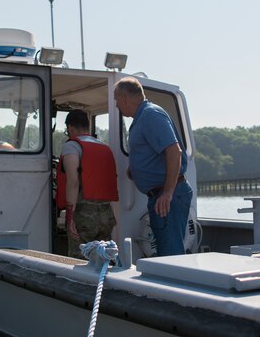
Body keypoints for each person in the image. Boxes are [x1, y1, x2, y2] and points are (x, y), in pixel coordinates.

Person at [113, 77, 192, 256]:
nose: (116, 105)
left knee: (170, 254)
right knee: (166, 249)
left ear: (124, 98)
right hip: (159, 195)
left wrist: (167, 193)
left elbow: (174, 151)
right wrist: (136, 169)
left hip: (168, 196)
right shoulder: (142, 117)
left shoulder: (151, 115)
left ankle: (173, 282)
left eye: (117, 101)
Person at [55, 109, 118, 258]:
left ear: (70, 128)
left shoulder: (71, 146)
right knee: (102, 259)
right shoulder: (104, 147)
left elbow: (73, 181)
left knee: (79, 260)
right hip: (106, 215)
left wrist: (69, 217)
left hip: (84, 216)